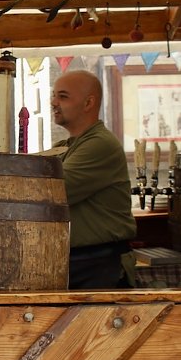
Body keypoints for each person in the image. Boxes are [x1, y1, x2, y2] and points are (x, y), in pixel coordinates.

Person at [50, 70, 137, 289]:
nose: (53, 102)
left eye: (62, 96)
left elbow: (53, 190)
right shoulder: (66, 147)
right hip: (80, 262)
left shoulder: (100, 144)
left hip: (98, 264)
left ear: (89, 103)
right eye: (53, 95)